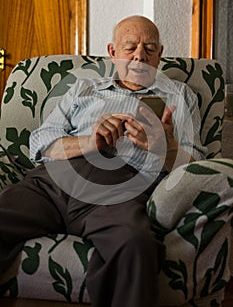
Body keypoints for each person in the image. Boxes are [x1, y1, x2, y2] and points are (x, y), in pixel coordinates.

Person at [0, 15, 207, 307]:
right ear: (112, 52)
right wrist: (89, 141)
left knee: (136, 245)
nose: (139, 55)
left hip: (118, 190)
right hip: (52, 182)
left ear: (160, 54)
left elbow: (196, 168)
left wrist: (164, 147)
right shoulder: (83, 89)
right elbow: (38, 142)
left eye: (149, 48)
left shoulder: (180, 96)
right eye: (130, 47)